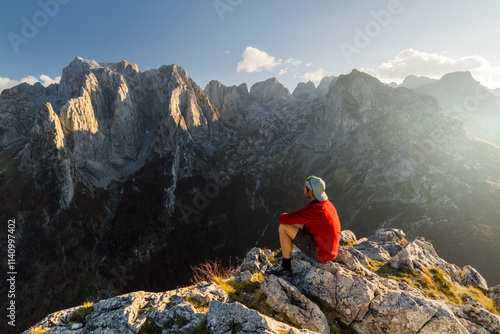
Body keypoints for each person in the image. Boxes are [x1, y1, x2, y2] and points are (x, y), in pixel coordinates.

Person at [266, 175, 341, 280]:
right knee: (296, 222)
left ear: (310, 193)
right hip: (329, 250)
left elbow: (282, 219)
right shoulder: (326, 204)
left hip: (321, 254)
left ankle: (285, 268)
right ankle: (285, 250)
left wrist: (284, 214)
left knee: (283, 227)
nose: (303, 189)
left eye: (305, 187)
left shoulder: (315, 210)